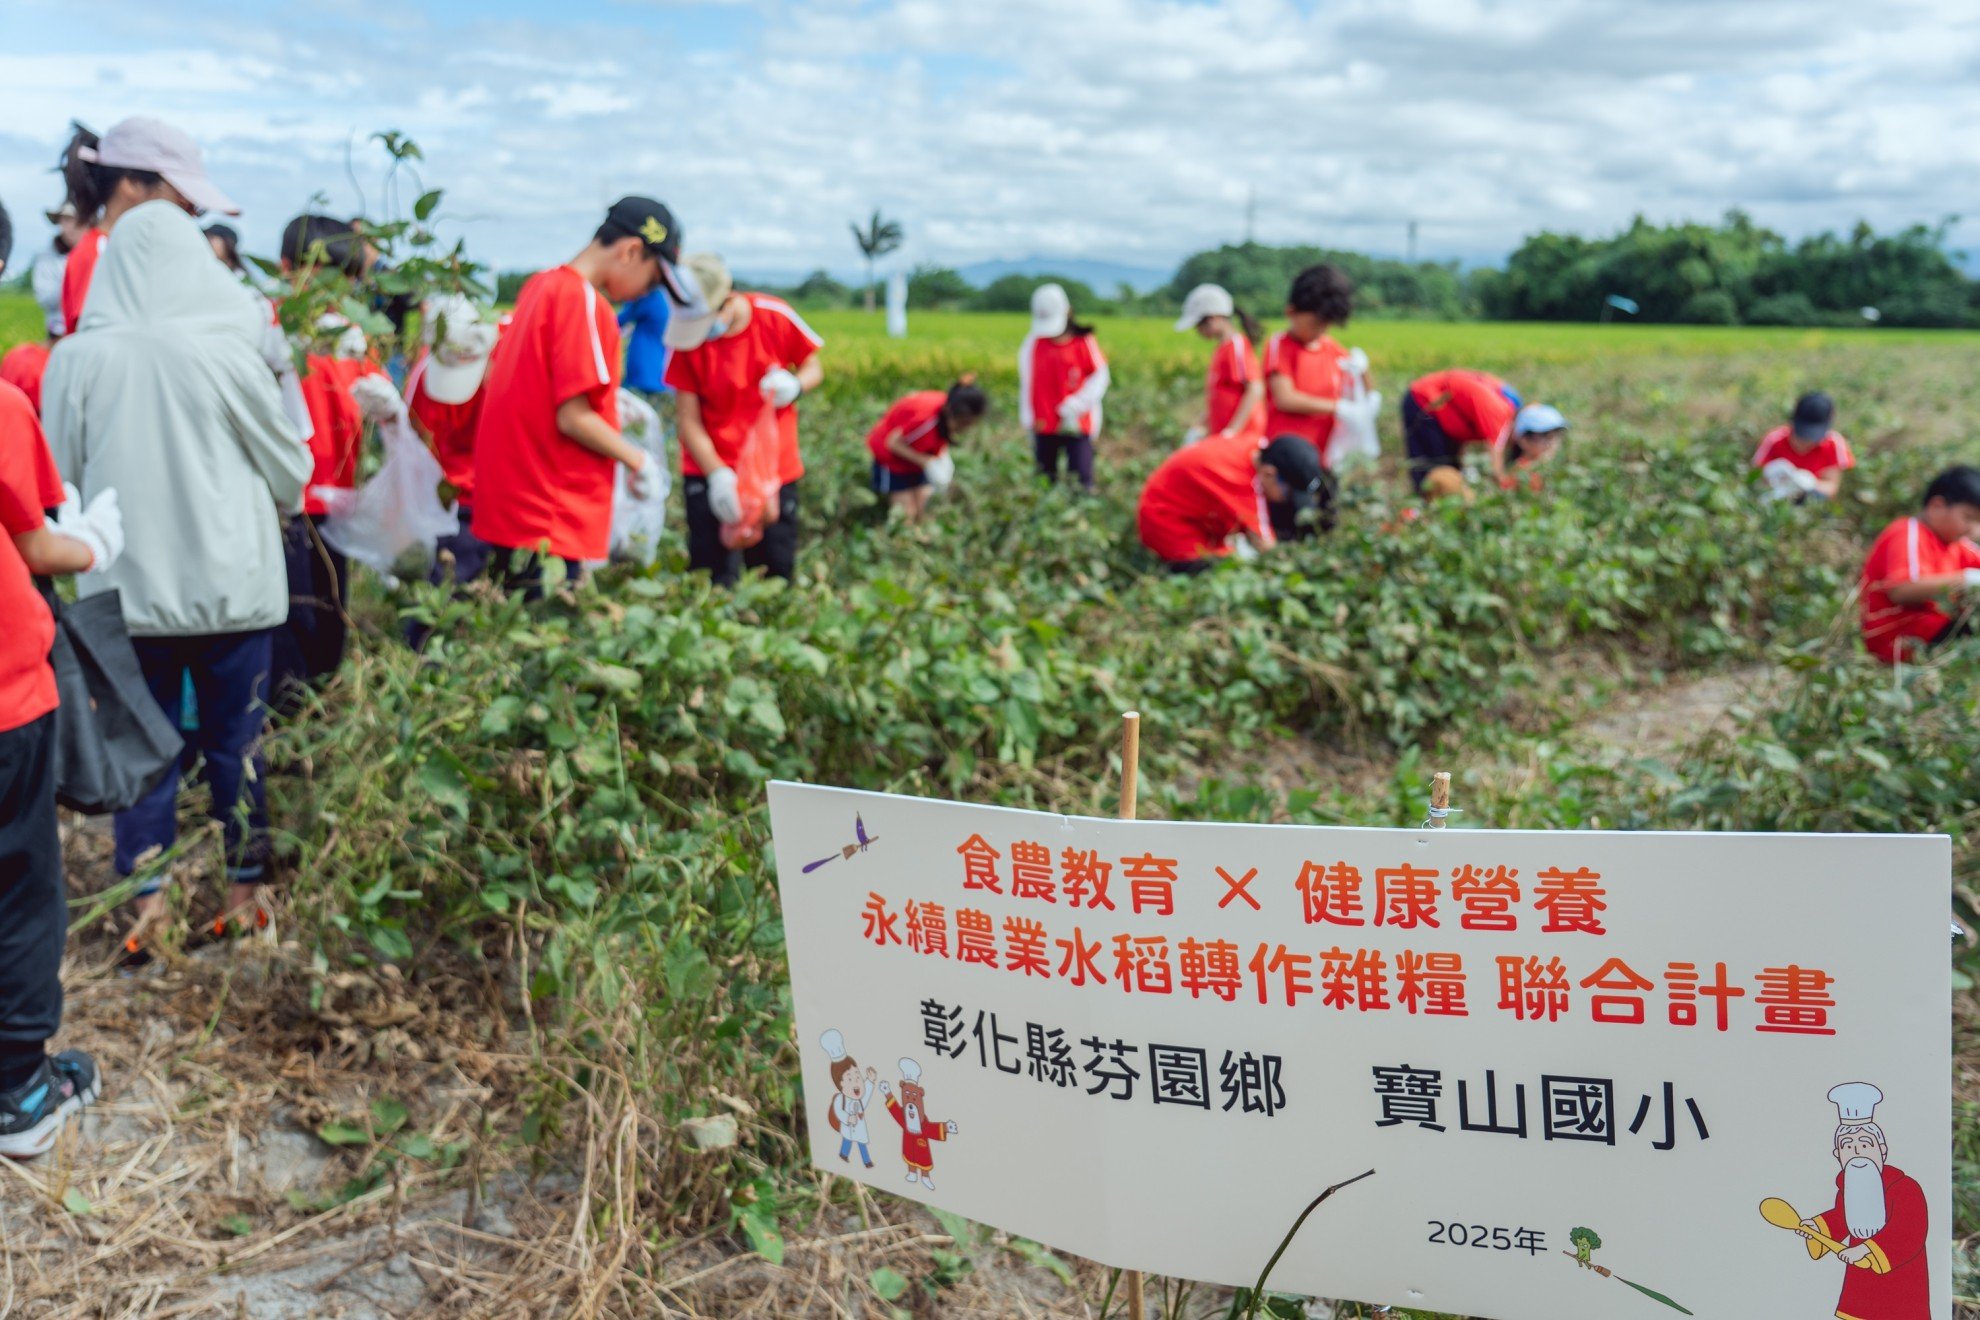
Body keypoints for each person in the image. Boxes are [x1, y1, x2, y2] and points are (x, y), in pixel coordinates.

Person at [40, 200, 312, 964]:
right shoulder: (224, 354)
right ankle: (244, 899)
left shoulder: (78, 359)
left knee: (141, 750)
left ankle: (146, 909)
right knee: (238, 748)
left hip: (123, 596)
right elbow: (289, 469)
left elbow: (55, 478)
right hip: (235, 591)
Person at [0, 198, 120, 1156]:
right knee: (21, 887)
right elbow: (39, 540)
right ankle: (22, 1098)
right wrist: (95, 541)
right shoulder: (2, 404)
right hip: (6, 698)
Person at [472, 196, 683, 592]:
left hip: (514, 507)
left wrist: (607, 405)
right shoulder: (583, 299)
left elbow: (524, 381)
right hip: (551, 515)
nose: (644, 293)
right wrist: (638, 461)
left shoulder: (541, 285)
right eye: (653, 280)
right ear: (631, 251)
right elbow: (573, 416)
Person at [270, 214, 396, 700]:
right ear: (287, 269)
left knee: (330, 611)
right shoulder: (270, 327)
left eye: (345, 280)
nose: (334, 291)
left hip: (337, 499)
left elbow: (373, 398)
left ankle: (317, 707)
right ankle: (284, 718)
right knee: (290, 614)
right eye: (320, 276)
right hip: (285, 502)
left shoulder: (354, 334)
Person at [665, 251, 825, 584]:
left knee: (772, 572)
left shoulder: (774, 316)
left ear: (727, 302)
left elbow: (814, 367)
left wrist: (796, 385)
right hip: (708, 466)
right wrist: (718, 475)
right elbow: (689, 420)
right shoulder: (689, 341)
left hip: (772, 470)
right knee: (710, 574)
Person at [57, 118, 240, 335]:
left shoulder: (136, 254)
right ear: (132, 184)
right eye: (182, 201)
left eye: (196, 207)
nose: (190, 215)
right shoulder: (99, 255)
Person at [406, 294, 500, 589]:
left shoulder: (503, 366)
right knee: (446, 584)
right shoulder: (424, 373)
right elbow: (415, 433)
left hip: (484, 496)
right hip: (445, 497)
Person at [1137, 432, 1326, 573]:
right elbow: (1266, 548)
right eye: (1288, 493)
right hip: (1164, 520)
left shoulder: (1256, 446)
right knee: (1224, 571)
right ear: (1269, 473)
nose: (1287, 500)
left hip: (1183, 504)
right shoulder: (1241, 483)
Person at [1261, 264, 1355, 536]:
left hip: (1324, 460)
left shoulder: (1335, 350)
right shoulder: (1281, 345)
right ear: (1291, 312)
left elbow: (1355, 386)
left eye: (1325, 324)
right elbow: (1285, 397)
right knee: (1291, 530)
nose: (1319, 331)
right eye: (1315, 323)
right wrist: (1339, 407)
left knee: (1325, 527)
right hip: (1287, 463)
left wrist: (1363, 374)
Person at [1858, 465, 1980, 665]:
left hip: (1932, 632)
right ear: (1937, 506)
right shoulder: (1907, 532)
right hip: (1899, 641)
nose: (1974, 530)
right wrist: (1966, 579)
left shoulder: (1956, 543)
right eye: (1968, 518)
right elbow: (1902, 589)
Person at [1402, 369, 1568, 496]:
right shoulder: (1498, 415)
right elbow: (1496, 472)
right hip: (1423, 401)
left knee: (1451, 471)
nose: (1550, 447)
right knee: (1433, 476)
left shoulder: (1508, 408)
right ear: (1524, 439)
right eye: (1545, 440)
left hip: (1441, 410)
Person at [1017, 283, 1108, 490]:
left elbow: (1100, 378)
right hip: (1043, 423)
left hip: (1076, 423)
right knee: (1044, 478)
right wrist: (1027, 418)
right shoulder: (1033, 343)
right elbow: (1027, 382)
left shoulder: (1084, 342)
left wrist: (1077, 404)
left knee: (1081, 480)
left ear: (1068, 312)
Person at [866, 377, 987, 522]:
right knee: (906, 515)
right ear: (950, 413)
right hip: (891, 459)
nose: (963, 430)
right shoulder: (926, 422)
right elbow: (892, 443)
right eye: (962, 425)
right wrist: (927, 462)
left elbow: (939, 438)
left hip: (915, 457)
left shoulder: (950, 406)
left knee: (924, 509)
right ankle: (902, 540)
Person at [1174, 283, 1264, 446]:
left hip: (1241, 440)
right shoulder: (1222, 349)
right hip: (1222, 438)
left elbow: (1255, 388)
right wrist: (1199, 426)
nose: (1198, 331)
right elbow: (1219, 397)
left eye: (1199, 325)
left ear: (1213, 318)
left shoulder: (1237, 346)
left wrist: (1233, 431)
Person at [1755, 391, 1854, 502]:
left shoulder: (1834, 445)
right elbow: (1754, 477)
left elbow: (1831, 488)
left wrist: (1812, 484)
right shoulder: (1774, 440)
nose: (1806, 442)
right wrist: (1769, 477)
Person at [31, 202, 82, 340]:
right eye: (67, 220)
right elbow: (45, 298)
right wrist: (74, 282)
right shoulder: (46, 256)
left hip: (88, 331)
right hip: (58, 332)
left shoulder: (96, 251)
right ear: (59, 222)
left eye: (78, 220)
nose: (72, 226)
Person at [618, 288, 673, 404]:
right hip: (657, 373)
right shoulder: (662, 296)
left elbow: (619, 320)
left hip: (643, 374)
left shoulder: (650, 296)